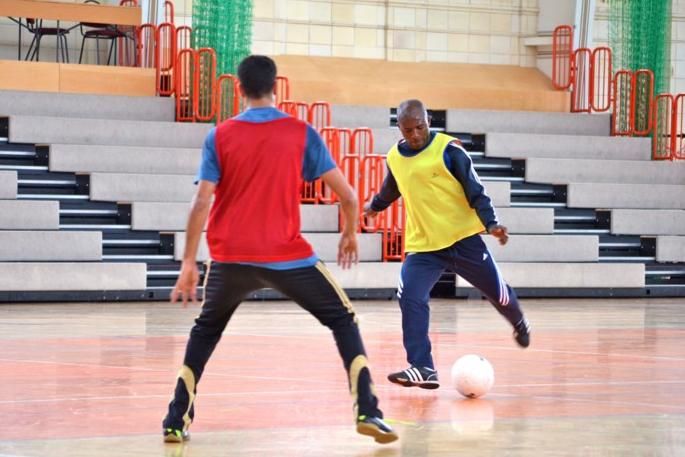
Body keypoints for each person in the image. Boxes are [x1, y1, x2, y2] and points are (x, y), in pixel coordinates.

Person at [162, 55, 397, 445]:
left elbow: (201, 202)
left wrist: (189, 261)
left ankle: (175, 420)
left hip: (229, 256)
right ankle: (368, 411)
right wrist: (350, 234)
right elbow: (349, 196)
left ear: (239, 89)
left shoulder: (219, 135)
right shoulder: (301, 133)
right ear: (276, 89)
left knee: (205, 331)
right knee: (343, 320)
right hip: (287, 256)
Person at [364, 99, 531, 390]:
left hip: (463, 239)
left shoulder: (450, 150)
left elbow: (475, 190)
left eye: (419, 127)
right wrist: (375, 206)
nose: (414, 135)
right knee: (410, 297)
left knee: (500, 295)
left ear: (427, 120)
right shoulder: (395, 157)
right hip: (424, 245)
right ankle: (422, 366)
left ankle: (518, 322)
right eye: (408, 130)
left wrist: (491, 224)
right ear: (399, 128)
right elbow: (392, 188)